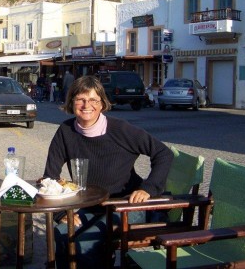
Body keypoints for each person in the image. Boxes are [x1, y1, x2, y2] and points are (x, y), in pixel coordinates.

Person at [42, 75, 173, 268]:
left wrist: (148, 188)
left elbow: (163, 153)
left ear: (102, 104)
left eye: (93, 100)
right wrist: (61, 212)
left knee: (84, 243)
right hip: (91, 205)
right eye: (80, 99)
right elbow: (49, 178)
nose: (87, 105)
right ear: (72, 102)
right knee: (60, 235)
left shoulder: (120, 130)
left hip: (126, 205)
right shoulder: (65, 131)